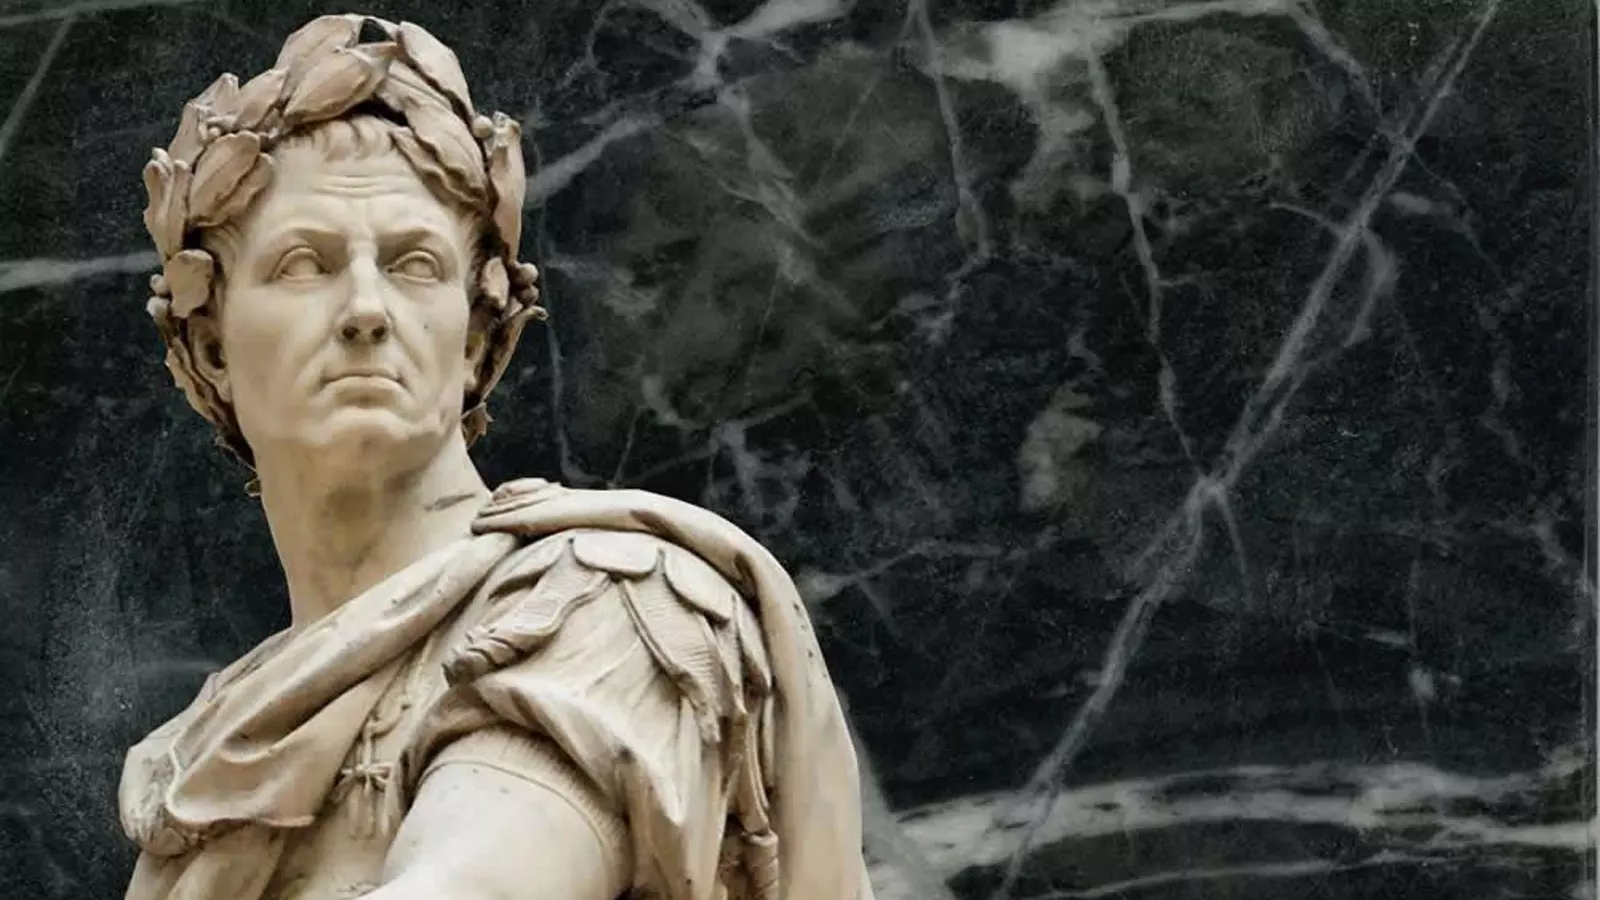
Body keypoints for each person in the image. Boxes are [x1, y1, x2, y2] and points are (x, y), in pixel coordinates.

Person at [119, 14, 873, 900]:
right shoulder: (206, 755)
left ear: (477, 339)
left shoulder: (613, 599)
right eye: (303, 265)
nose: (366, 310)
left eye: (413, 264)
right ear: (210, 348)